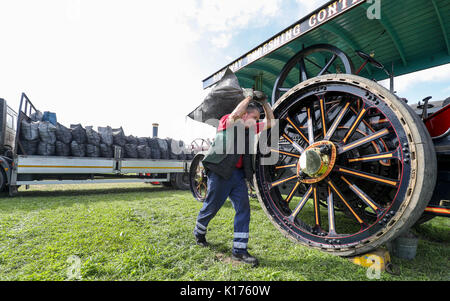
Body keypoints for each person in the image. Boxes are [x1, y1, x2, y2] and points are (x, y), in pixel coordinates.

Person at [193, 89, 274, 267]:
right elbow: (236, 113)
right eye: (255, 117)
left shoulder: (250, 128)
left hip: (237, 175)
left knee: (244, 209)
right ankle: (199, 232)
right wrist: (249, 97)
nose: (257, 121)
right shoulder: (227, 121)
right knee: (212, 207)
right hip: (220, 171)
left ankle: (239, 251)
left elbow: (271, 122)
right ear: (245, 116)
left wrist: (265, 103)